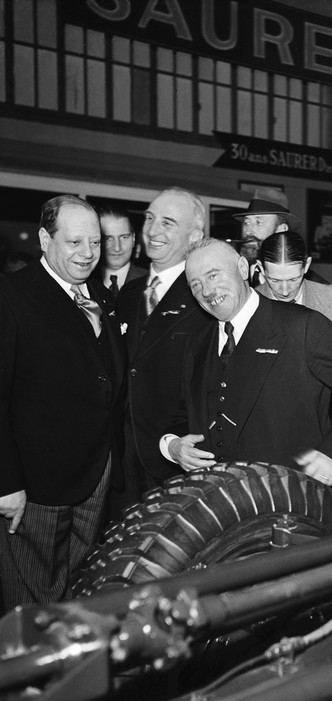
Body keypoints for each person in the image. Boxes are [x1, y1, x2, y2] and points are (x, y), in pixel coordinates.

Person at [160, 238, 332, 490]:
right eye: (196, 284)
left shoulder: (303, 326)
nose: (207, 290)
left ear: (244, 269)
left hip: (291, 498)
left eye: (213, 275)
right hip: (220, 503)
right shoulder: (197, 344)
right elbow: (179, 413)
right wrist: (173, 446)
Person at [0, 195, 125, 610]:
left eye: (95, 242)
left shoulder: (101, 298)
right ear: (43, 239)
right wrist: (6, 483)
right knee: (32, 603)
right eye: (74, 243)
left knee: (78, 593)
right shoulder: (12, 296)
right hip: (36, 484)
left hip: (95, 476)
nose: (88, 254)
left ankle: (72, 672)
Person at [115, 187, 211, 518]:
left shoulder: (206, 298)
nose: (153, 231)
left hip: (175, 461)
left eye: (168, 223)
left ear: (194, 237)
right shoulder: (126, 294)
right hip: (119, 466)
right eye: (150, 219)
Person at [256, 230, 332, 345]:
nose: (284, 291)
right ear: (261, 268)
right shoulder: (248, 303)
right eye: (275, 280)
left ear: (307, 265)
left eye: (293, 279)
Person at [96, 203, 146, 295]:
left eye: (124, 237)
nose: (117, 248)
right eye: (108, 238)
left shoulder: (151, 283)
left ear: (133, 239)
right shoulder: (83, 282)